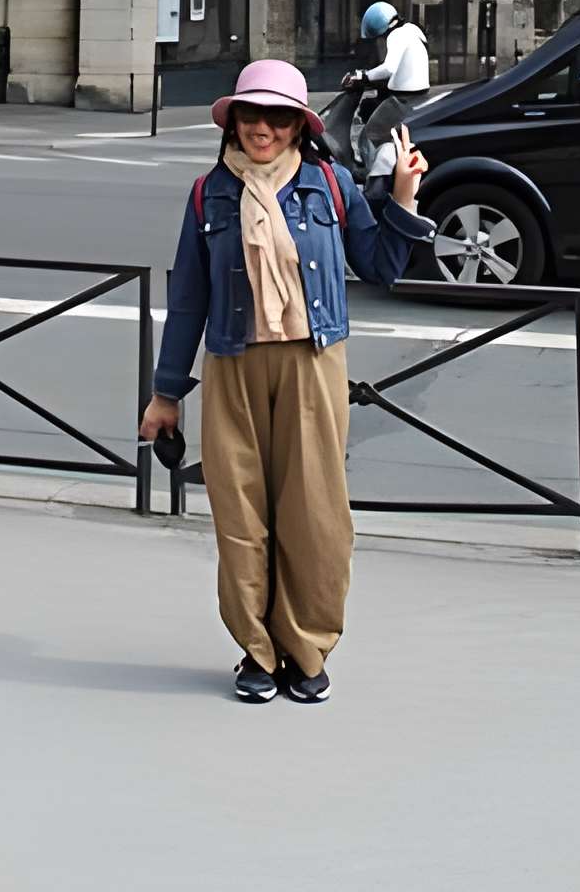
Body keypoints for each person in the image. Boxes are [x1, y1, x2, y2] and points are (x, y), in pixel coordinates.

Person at [138, 59, 432, 705]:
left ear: (299, 125)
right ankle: (257, 651)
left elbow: (380, 266)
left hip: (312, 362)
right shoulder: (209, 194)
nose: (262, 128)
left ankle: (306, 649)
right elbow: (188, 300)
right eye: (251, 114)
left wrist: (404, 199)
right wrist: (166, 394)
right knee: (241, 515)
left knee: (315, 514)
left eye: (277, 117)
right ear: (234, 121)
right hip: (232, 364)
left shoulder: (330, 184)